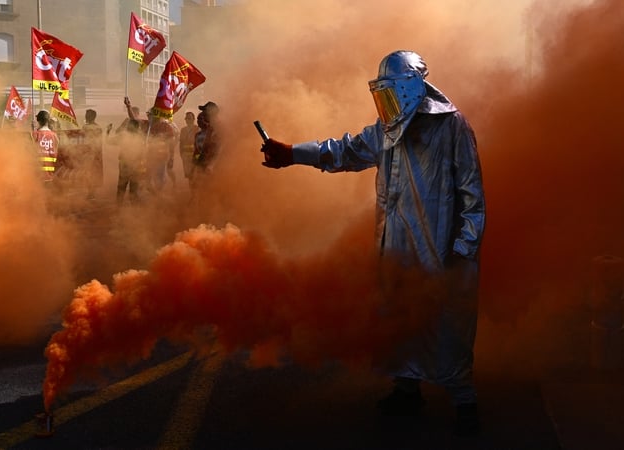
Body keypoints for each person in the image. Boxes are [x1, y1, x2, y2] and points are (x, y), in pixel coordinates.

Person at [260, 50, 486, 436]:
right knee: (399, 315)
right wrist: (292, 154)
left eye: (391, 94)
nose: (387, 105)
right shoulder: (386, 130)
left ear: (411, 88)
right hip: (395, 245)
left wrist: (464, 250)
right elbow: (343, 150)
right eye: (381, 96)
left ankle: (464, 400)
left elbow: (472, 195)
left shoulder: (452, 127)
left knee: (446, 324)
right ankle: (406, 390)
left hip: (440, 248)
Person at [123, 97, 177, 194]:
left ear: (157, 115)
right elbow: (134, 119)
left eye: (151, 114)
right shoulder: (147, 125)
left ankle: (159, 198)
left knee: (159, 181)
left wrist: (171, 157)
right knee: (147, 181)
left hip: (161, 158)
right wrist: (128, 106)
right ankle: (156, 197)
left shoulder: (166, 126)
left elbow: (171, 143)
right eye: (149, 114)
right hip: (149, 157)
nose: (149, 116)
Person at [190, 102, 221, 202]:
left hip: (217, 167)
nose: (203, 114)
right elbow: (204, 149)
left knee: (215, 192)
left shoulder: (219, 127)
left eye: (205, 112)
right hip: (207, 166)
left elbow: (221, 147)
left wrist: (212, 164)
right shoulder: (210, 128)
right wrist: (196, 164)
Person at [81, 109, 104, 199]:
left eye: (87, 115)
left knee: (89, 172)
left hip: (89, 153)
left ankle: (91, 192)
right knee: (94, 172)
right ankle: (92, 191)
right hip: (96, 153)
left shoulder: (85, 127)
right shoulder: (99, 127)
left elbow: (82, 139)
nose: (85, 117)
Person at [32, 109, 60, 185]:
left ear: (38, 121)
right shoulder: (54, 136)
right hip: (51, 177)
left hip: (37, 177)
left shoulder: (35, 135)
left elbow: (30, 153)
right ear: (48, 121)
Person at [178, 111, 199, 189]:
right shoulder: (183, 130)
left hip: (195, 156)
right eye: (186, 118)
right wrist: (181, 154)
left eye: (189, 118)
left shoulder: (197, 129)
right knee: (189, 175)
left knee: (195, 174)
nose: (188, 120)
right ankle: (192, 192)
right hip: (186, 156)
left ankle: (196, 192)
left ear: (193, 119)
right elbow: (181, 143)